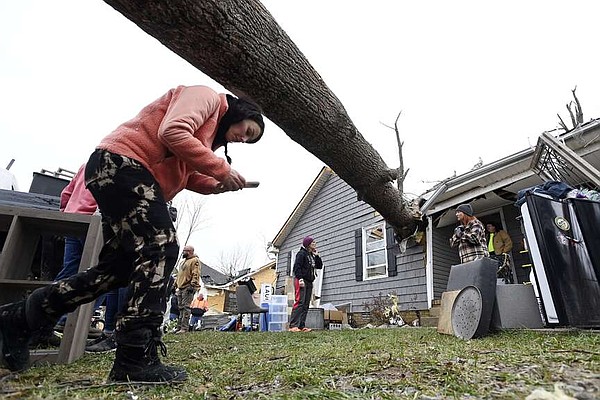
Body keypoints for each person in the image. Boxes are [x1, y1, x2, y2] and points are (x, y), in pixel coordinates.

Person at [0, 85, 265, 382]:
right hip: (122, 163)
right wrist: (220, 168)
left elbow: (188, 174)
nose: (243, 138)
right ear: (240, 111)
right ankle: (134, 356)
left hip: (120, 171)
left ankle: (22, 317)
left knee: (117, 270)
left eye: (248, 140)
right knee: (161, 247)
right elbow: (172, 131)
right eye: (248, 130)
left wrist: (218, 183)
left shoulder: (205, 137)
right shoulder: (205, 97)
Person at [289, 236, 323, 332]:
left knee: (306, 304)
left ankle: (301, 326)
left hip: (309, 281)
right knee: (299, 302)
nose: (315, 244)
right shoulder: (301, 254)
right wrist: (300, 279)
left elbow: (319, 266)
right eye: (313, 242)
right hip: (301, 280)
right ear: (308, 244)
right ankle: (293, 326)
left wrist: (317, 256)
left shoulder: (311, 255)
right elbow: (296, 267)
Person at [174, 245, 201, 334]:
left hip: (188, 287)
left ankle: (184, 328)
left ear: (190, 251)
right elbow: (179, 275)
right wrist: (175, 285)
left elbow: (196, 273)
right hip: (181, 287)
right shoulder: (182, 262)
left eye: (185, 251)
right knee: (180, 308)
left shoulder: (194, 261)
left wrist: (192, 285)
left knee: (186, 308)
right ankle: (179, 327)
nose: (183, 252)